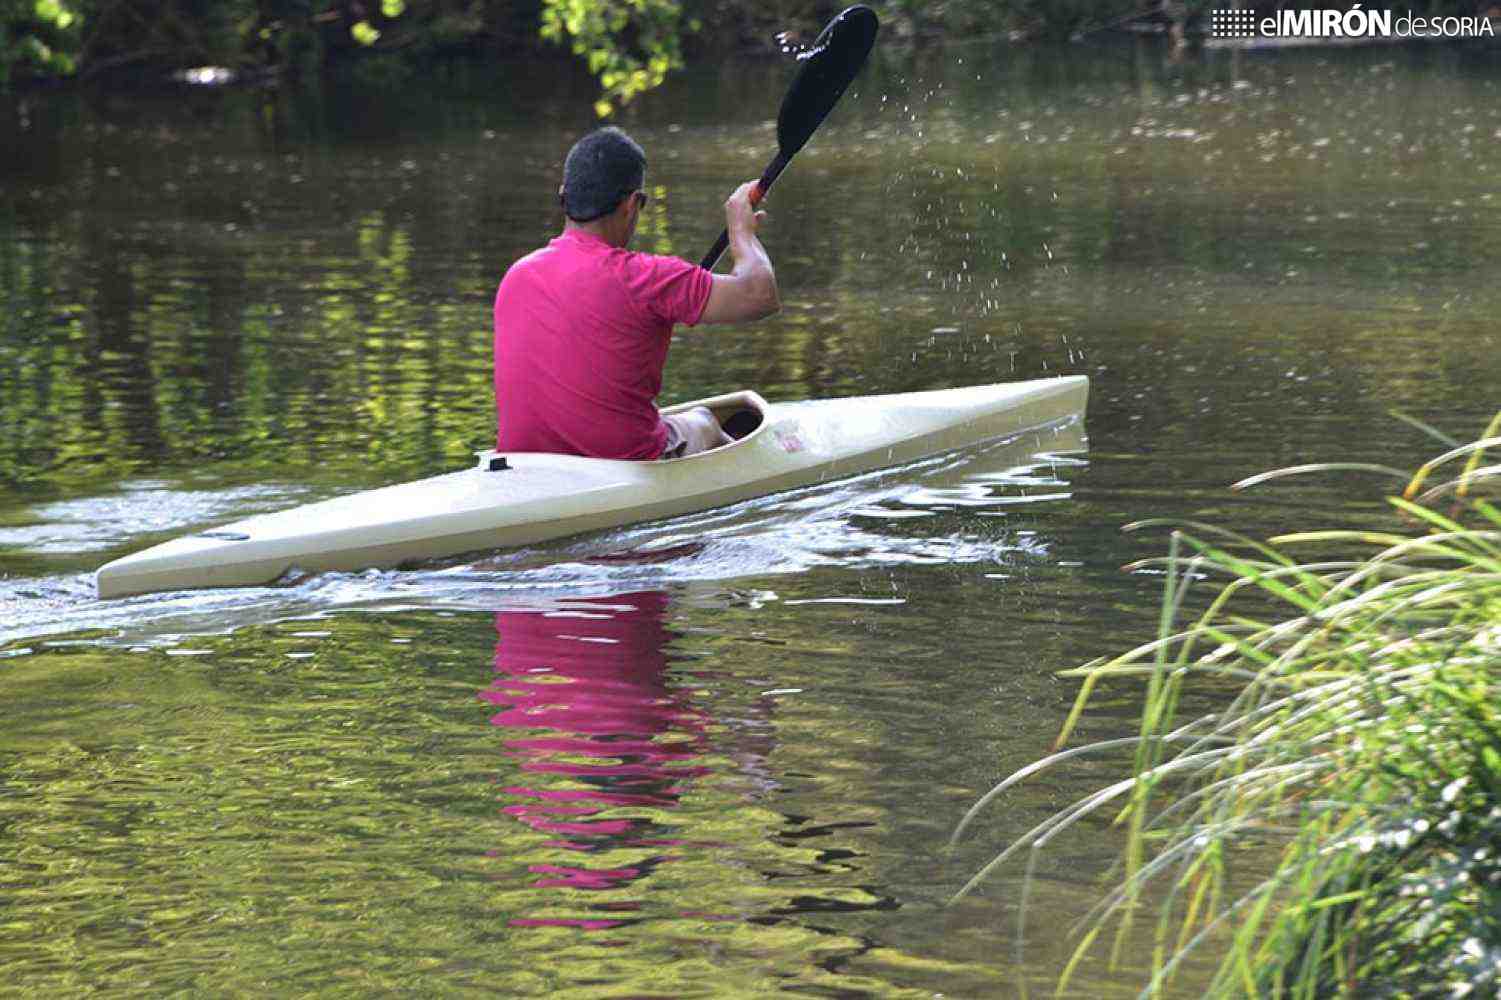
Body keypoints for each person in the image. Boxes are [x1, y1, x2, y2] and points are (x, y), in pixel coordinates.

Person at [493, 126, 779, 461]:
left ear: (564, 197)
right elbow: (761, 294)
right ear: (631, 205)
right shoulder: (646, 278)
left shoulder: (517, 276)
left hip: (523, 465)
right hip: (624, 464)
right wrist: (741, 232)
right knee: (704, 422)